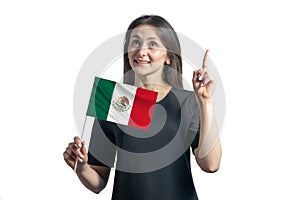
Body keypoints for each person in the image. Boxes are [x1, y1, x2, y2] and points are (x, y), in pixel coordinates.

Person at [63, 15, 222, 200]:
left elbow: (210, 165)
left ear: (168, 57)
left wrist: (206, 102)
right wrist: (81, 167)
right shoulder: (113, 100)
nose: (141, 51)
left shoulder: (188, 102)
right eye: (135, 42)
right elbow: (98, 182)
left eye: (152, 44)